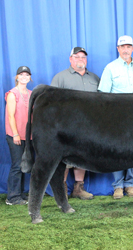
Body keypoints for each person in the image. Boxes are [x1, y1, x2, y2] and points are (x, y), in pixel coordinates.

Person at [98, 35, 133, 199]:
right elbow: (103, 95)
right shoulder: (111, 68)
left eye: (129, 47)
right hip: (117, 117)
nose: (126, 49)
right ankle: (118, 186)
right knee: (117, 151)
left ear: (132, 48)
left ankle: (130, 185)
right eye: (122, 47)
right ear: (118, 49)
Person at [51, 47, 99, 200]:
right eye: (77, 57)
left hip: (89, 125)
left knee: (83, 156)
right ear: (70, 59)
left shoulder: (94, 78)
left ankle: (79, 187)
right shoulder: (60, 77)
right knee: (65, 157)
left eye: (83, 57)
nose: (81, 60)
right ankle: (62, 188)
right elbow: (52, 103)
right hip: (67, 126)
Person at [5, 66, 33, 205]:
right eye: (21, 74)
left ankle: (20, 194)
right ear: (16, 77)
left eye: (26, 75)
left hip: (28, 136)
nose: (24, 77)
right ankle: (12, 197)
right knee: (17, 165)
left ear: (30, 78)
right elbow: (11, 116)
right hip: (15, 135)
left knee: (24, 165)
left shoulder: (31, 93)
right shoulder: (12, 94)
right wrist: (15, 134)